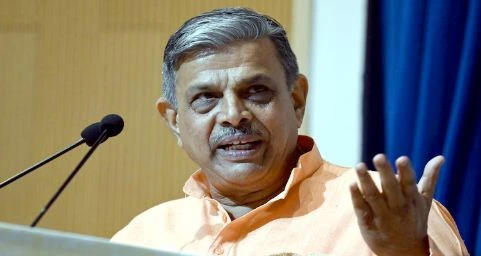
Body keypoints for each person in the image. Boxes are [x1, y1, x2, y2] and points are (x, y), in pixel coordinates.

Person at [111, 7, 468, 255]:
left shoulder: (391, 213)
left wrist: (404, 253)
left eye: (256, 91)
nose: (234, 116)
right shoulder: (143, 237)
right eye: (206, 98)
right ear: (174, 120)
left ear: (296, 100)